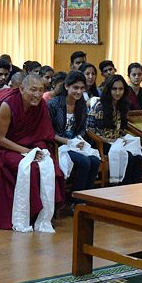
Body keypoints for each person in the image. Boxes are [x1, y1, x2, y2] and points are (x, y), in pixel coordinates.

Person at [0, 73, 63, 230]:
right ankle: (27, 213)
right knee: (30, 169)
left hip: (32, 146)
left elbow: (42, 133)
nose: (37, 95)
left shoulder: (41, 105)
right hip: (8, 148)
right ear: (22, 88)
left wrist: (39, 150)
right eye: (33, 90)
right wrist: (26, 151)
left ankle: (44, 213)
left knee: (50, 166)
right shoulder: (8, 105)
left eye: (41, 90)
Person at [48, 70, 101, 202]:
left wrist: (79, 140)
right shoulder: (54, 104)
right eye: (75, 88)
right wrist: (66, 141)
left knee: (95, 161)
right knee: (85, 162)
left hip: (75, 143)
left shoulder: (81, 104)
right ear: (67, 86)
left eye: (82, 88)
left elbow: (82, 128)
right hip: (58, 144)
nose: (79, 92)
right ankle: (75, 200)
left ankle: (86, 197)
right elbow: (48, 131)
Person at [90, 74, 142, 185]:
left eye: (121, 89)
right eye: (114, 89)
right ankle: (120, 187)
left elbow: (122, 129)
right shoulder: (100, 106)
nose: (118, 92)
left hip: (117, 141)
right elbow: (91, 132)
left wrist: (123, 140)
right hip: (101, 142)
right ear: (108, 89)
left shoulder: (122, 105)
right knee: (127, 156)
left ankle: (134, 189)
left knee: (137, 156)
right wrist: (112, 141)